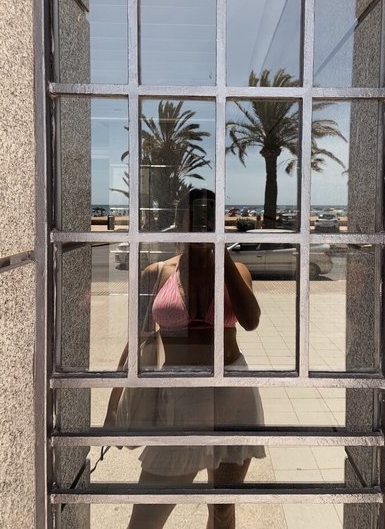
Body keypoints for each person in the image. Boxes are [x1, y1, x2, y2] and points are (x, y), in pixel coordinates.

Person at [105, 189, 265, 529]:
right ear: (182, 223)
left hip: (232, 394)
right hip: (178, 397)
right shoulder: (157, 273)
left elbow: (251, 321)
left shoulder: (237, 270)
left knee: (221, 510)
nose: (203, 227)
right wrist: (113, 405)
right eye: (197, 219)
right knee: (146, 516)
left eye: (211, 219)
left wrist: (221, 253)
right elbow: (137, 339)